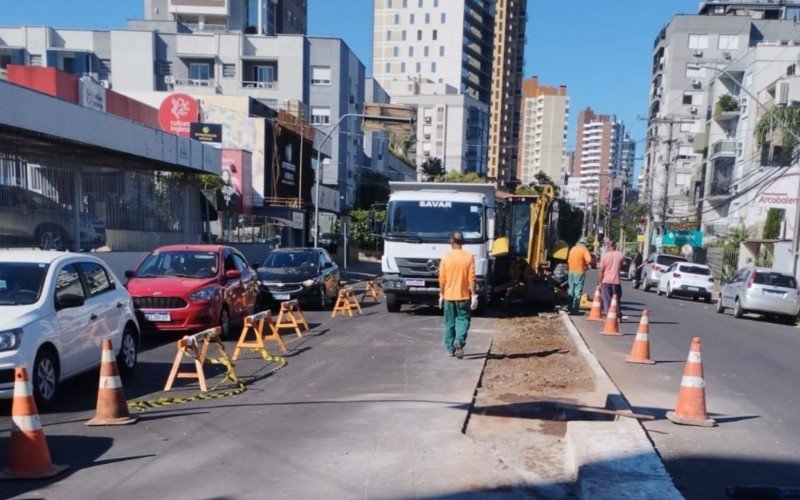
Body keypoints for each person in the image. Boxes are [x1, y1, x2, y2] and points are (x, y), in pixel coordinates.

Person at [438, 231, 478, 359]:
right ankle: (459, 340)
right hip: (463, 297)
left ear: (451, 242)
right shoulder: (469, 257)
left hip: (449, 297)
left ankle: (451, 349)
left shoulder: (445, 257)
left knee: (449, 323)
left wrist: (441, 294)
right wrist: (474, 295)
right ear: (462, 242)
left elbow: (442, 279)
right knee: (463, 320)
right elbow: (472, 278)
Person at [567, 238, 593, 314]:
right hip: (579, 272)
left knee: (570, 290)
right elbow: (589, 260)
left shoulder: (573, 249)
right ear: (585, 244)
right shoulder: (584, 249)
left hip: (571, 272)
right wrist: (587, 265)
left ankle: (569, 308)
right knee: (577, 291)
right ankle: (575, 310)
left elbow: (568, 261)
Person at [598, 239, 625, 315]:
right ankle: (618, 314)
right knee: (617, 299)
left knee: (607, 300)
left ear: (608, 247)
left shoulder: (605, 256)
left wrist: (600, 282)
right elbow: (623, 265)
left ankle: (608, 315)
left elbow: (601, 271)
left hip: (606, 281)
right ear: (615, 246)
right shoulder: (620, 255)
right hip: (616, 281)